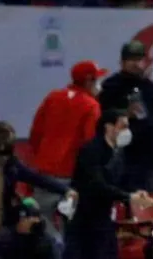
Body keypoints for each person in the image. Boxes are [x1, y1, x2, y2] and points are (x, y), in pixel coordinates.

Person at [69, 109, 153, 259]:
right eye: (123, 126)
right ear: (108, 127)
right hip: (84, 221)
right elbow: (97, 185)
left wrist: (135, 192)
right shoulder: (91, 151)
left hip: (104, 218)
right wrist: (127, 197)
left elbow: (122, 183)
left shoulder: (118, 153)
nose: (127, 131)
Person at [29, 60, 106, 195]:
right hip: (69, 174)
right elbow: (90, 144)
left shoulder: (52, 97)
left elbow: (35, 133)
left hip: (43, 171)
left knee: (41, 215)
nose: (99, 85)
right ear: (89, 81)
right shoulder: (91, 105)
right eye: (97, 79)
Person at [98, 41, 153, 192]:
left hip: (148, 155)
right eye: (131, 60)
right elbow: (101, 117)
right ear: (122, 62)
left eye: (139, 59)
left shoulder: (149, 86)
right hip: (122, 155)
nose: (136, 64)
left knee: (148, 202)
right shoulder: (111, 86)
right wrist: (126, 112)